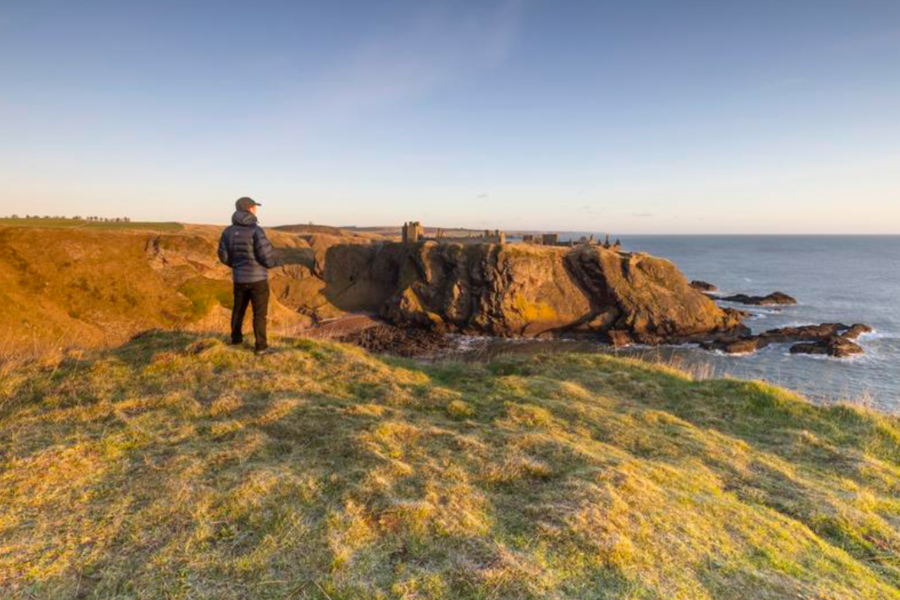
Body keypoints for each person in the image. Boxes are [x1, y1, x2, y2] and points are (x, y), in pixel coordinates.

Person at [217, 197, 276, 355]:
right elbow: (266, 255)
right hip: (258, 280)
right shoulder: (256, 230)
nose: (256, 209)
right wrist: (271, 264)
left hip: (239, 279)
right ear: (249, 209)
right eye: (254, 207)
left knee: (238, 310)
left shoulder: (228, 231)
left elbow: (223, 256)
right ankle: (261, 347)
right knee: (259, 314)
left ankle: (236, 340)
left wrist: (236, 265)